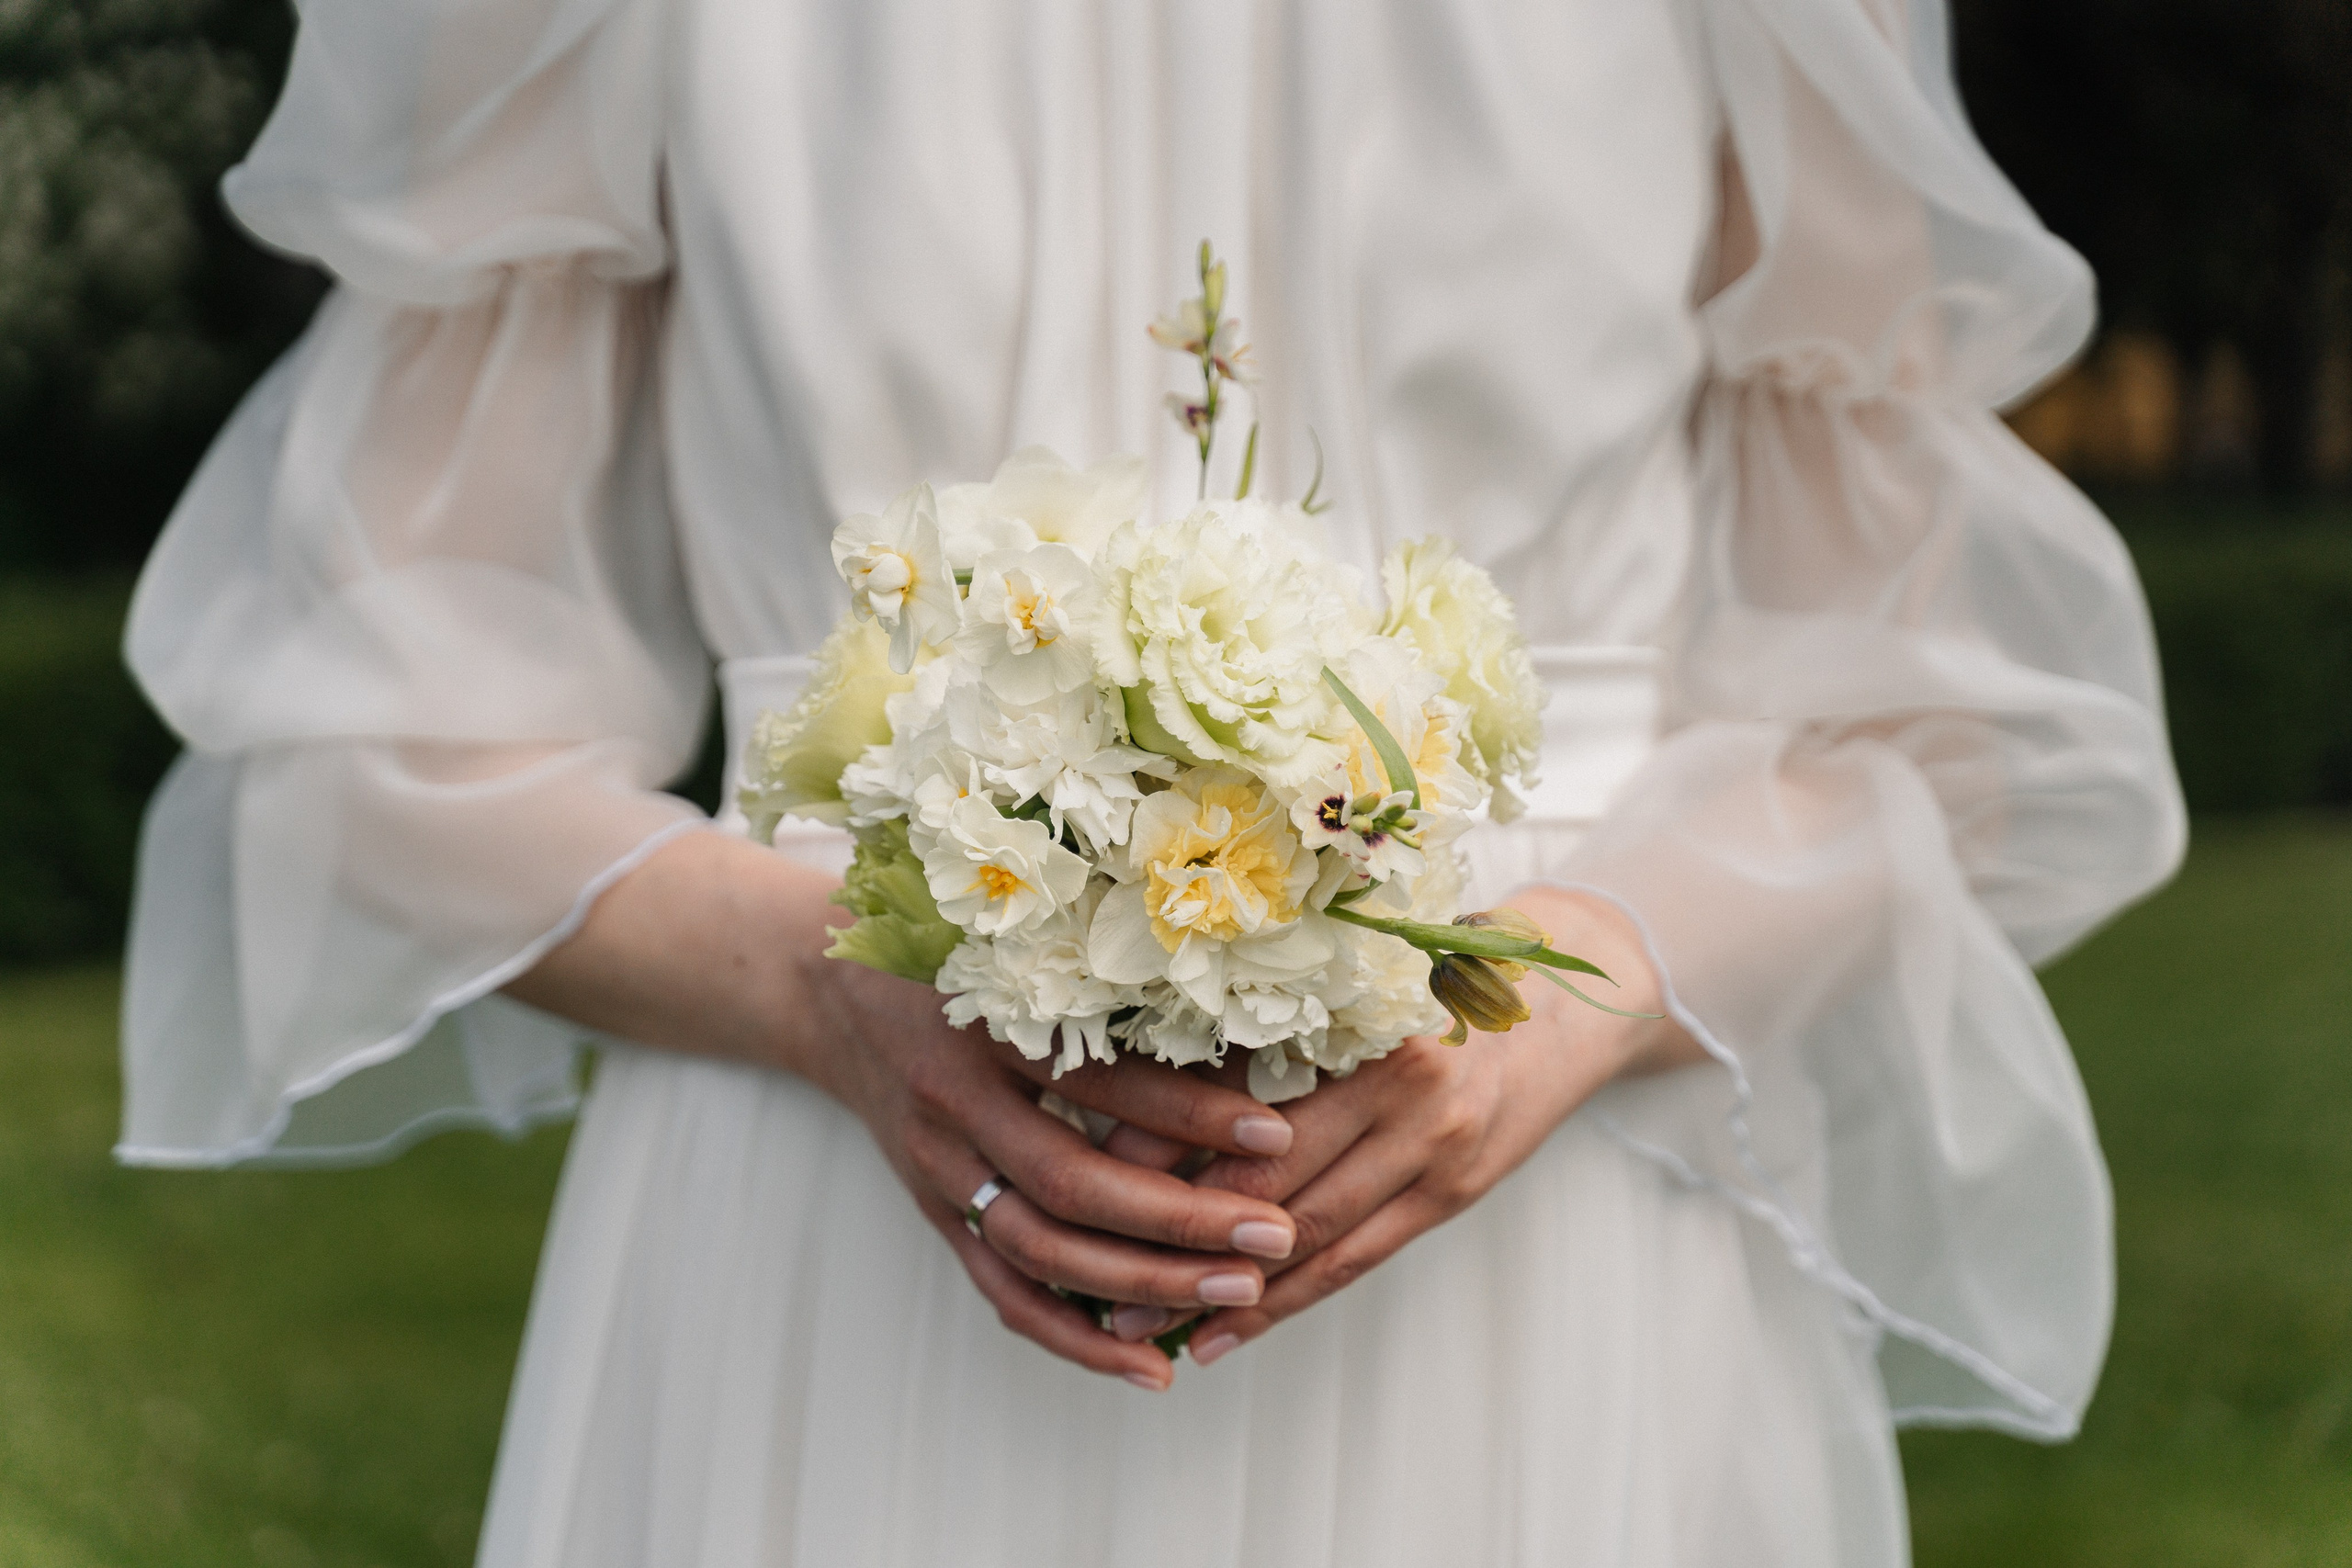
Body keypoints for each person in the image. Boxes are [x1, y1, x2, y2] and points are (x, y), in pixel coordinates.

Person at [116, 0, 2186, 1562]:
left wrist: (1559, 988)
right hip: (838, 1216)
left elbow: (1931, 720)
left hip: (1523, 1239)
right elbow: (375, 730)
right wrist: (823, 980)